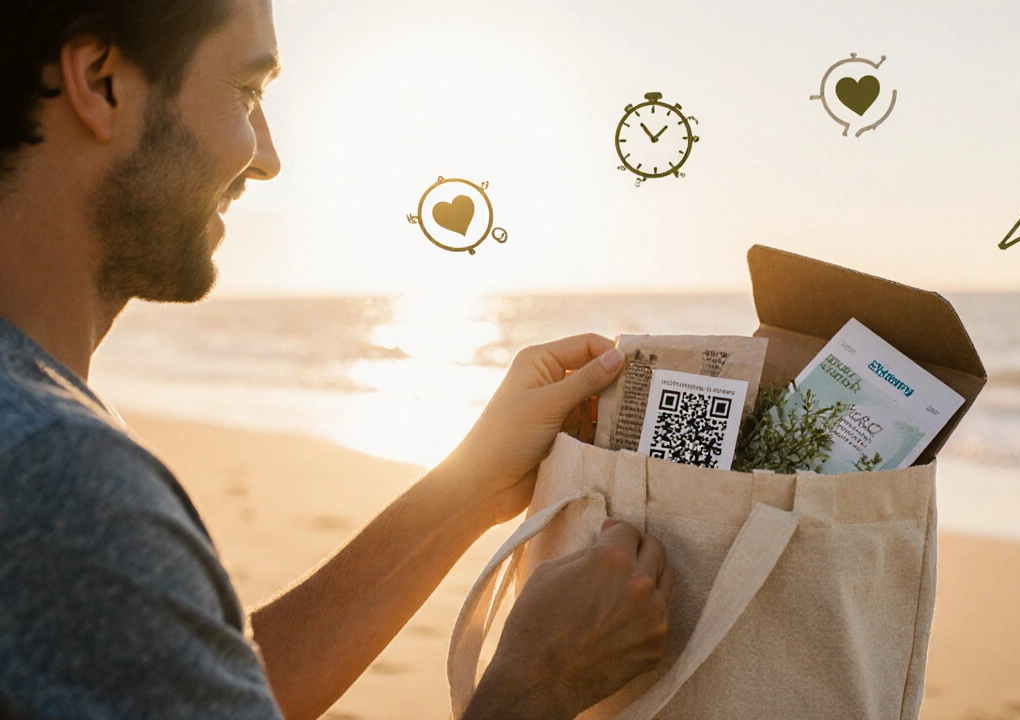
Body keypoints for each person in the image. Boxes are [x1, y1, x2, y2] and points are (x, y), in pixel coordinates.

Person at [0, 1, 674, 718]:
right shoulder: (60, 478)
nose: (266, 156)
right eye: (247, 92)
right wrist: (538, 683)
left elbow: (171, 685)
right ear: (101, 82)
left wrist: (473, 483)